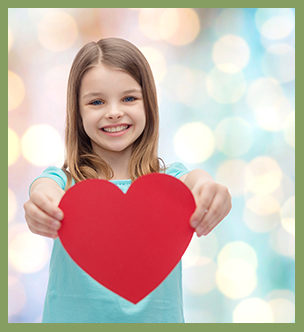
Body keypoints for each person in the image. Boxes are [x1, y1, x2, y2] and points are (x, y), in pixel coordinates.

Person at [23, 38, 232, 323]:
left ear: (149, 104)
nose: (113, 111)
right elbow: (42, 190)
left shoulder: (169, 183)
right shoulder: (65, 184)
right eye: (97, 101)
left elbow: (196, 182)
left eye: (129, 98)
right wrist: (41, 205)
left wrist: (209, 187)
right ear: (78, 111)